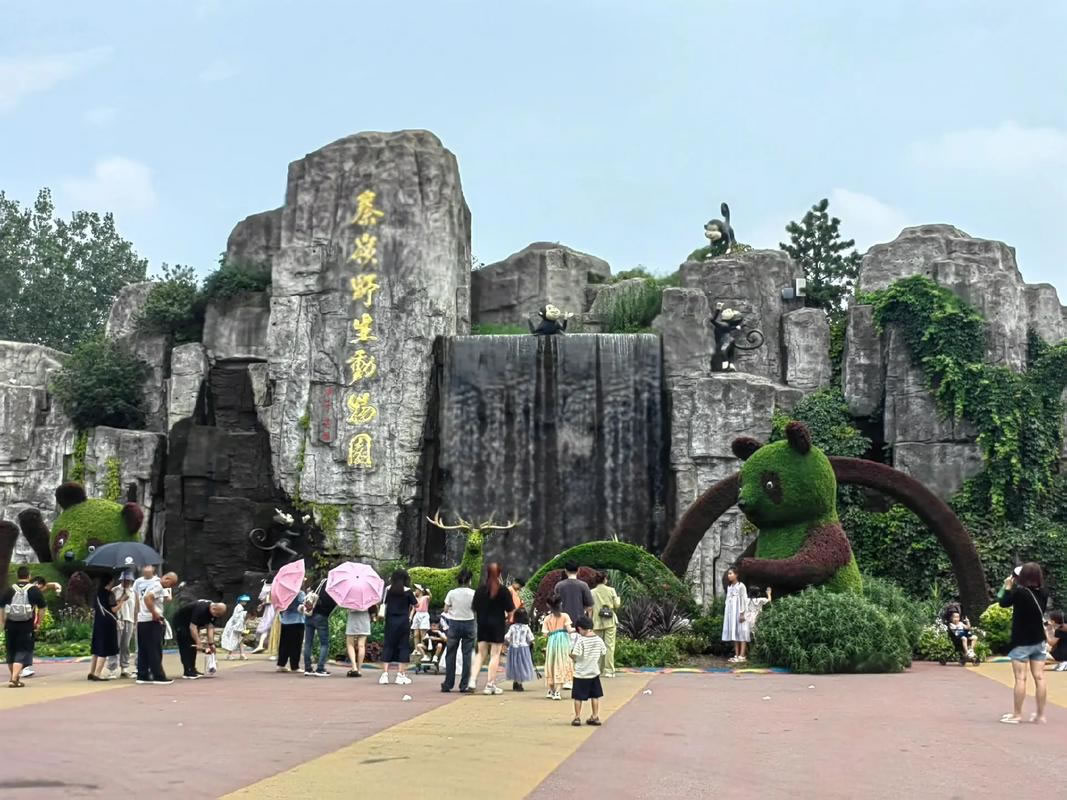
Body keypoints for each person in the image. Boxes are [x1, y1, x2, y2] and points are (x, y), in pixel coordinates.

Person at [997, 563, 1049, 724]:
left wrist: (1007, 586)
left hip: (1021, 641)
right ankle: (1040, 715)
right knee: (1039, 677)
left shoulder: (1020, 593)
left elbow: (1003, 603)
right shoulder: (1044, 592)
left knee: (1020, 678)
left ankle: (1017, 715)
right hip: (1039, 640)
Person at [470, 562, 515, 694]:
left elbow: (474, 608)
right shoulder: (503, 590)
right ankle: (490, 685)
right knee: (495, 655)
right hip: (497, 625)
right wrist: (509, 618)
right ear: (499, 574)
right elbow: (510, 610)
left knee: (480, 654)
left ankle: (472, 680)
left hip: (482, 624)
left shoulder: (480, 590)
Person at [1, 565, 46, 688]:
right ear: (29, 576)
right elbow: (42, 608)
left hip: (10, 624)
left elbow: (2, 607)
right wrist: (38, 622)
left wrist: (2, 622)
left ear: (17, 576)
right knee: (22, 650)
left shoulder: (10, 589)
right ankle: (14, 678)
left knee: (11, 650)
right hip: (26, 625)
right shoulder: (34, 590)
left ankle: (14, 677)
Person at [136, 570, 177, 685]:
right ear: (167, 579)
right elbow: (148, 598)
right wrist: (154, 613)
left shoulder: (151, 584)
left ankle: (142, 675)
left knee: (143, 649)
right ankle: (158, 675)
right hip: (151, 621)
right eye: (171, 584)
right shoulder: (158, 586)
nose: (169, 587)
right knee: (155, 649)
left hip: (142, 620)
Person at [440, 568, 476, 693]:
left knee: (451, 653)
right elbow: (476, 609)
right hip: (469, 623)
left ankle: (448, 684)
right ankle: (464, 685)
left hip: (454, 624)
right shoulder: (473, 593)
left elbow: (445, 609)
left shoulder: (452, 593)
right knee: (467, 654)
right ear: (469, 580)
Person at [379, 569, 416, 685]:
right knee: (403, 646)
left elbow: (383, 603)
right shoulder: (408, 591)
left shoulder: (388, 589)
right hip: (403, 621)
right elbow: (416, 604)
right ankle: (400, 675)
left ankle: (384, 675)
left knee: (388, 645)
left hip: (390, 621)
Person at [569, 615, 608, 727]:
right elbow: (603, 652)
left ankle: (577, 717)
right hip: (594, 672)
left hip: (581, 673)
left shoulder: (581, 640)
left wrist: (570, 655)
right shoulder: (599, 640)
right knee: (595, 696)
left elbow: (576, 654)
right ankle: (595, 716)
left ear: (580, 628)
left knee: (578, 697)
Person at [174, 599, 226, 679]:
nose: (216, 616)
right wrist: (198, 642)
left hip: (192, 624)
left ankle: (192, 668)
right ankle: (187, 671)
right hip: (181, 622)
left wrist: (211, 644)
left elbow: (210, 627)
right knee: (187, 644)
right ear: (213, 608)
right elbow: (192, 627)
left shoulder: (215, 613)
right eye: (216, 614)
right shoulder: (201, 609)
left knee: (193, 644)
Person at [88, 574, 120, 681]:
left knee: (96, 649)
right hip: (108, 623)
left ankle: (91, 672)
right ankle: (97, 674)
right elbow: (114, 609)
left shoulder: (97, 594)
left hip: (98, 622)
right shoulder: (110, 594)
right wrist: (122, 601)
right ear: (110, 582)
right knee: (104, 648)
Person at [542, 595, 574, 700]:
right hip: (563, 642)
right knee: (561, 663)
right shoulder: (565, 616)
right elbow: (570, 630)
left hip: (552, 642)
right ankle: (557, 692)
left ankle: (551, 690)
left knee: (551, 664)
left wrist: (553, 632)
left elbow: (545, 634)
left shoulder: (547, 618)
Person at [105, 570, 136, 678]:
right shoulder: (115, 590)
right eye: (124, 580)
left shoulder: (133, 591)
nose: (126, 582)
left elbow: (135, 607)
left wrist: (136, 621)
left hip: (129, 619)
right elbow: (111, 605)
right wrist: (122, 598)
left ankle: (125, 667)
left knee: (125, 645)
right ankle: (112, 669)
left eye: (129, 580)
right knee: (115, 644)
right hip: (117, 620)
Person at [303, 580, 337, 676]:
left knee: (308, 642)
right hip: (321, 616)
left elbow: (309, 590)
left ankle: (308, 668)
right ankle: (320, 669)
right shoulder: (335, 588)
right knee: (324, 644)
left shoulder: (321, 581)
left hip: (309, 614)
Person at [591, 571, 620, 678]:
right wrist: (618, 599)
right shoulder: (611, 590)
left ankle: (598, 669)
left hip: (596, 622)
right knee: (609, 646)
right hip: (610, 621)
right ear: (604, 580)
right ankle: (609, 671)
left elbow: (590, 607)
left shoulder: (591, 592)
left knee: (597, 646)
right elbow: (616, 605)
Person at [722, 567, 750, 663]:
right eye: (728, 574)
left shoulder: (741, 586)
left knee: (742, 632)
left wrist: (742, 613)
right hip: (731, 613)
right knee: (735, 632)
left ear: (736, 574)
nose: (729, 575)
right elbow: (727, 601)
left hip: (739, 612)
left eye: (731, 573)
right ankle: (736, 655)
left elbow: (744, 600)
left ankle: (742, 655)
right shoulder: (729, 587)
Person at [276, 588, 306, 673]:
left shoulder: (283, 593)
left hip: (285, 620)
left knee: (284, 644)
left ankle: (281, 664)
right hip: (297, 620)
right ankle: (295, 666)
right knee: (296, 645)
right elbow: (302, 606)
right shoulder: (300, 593)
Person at [505, 607, 536, 691]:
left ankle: (515, 681)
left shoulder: (512, 627)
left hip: (513, 649)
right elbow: (531, 638)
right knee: (522, 665)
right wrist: (531, 643)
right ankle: (519, 683)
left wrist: (509, 643)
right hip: (523, 649)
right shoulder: (526, 627)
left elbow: (507, 637)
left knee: (514, 665)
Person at [345, 604, 375, 678]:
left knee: (350, 644)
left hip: (353, 618)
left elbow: (346, 606)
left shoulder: (350, 596)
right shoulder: (367, 597)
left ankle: (354, 667)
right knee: (361, 645)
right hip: (364, 618)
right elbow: (373, 608)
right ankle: (359, 670)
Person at [221, 595, 251, 660]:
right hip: (235, 626)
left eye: (246, 601)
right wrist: (240, 628)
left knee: (240, 640)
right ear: (240, 601)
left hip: (237, 626)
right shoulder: (239, 607)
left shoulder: (240, 608)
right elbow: (236, 618)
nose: (245, 602)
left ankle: (242, 654)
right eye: (244, 601)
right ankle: (229, 654)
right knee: (233, 640)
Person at [251, 579, 274, 654]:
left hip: (272, 609)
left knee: (267, 627)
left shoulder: (267, 587)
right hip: (274, 608)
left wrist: (263, 603)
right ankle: (262, 645)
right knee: (268, 627)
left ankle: (262, 645)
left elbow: (263, 598)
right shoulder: (275, 586)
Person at [411, 585, 431, 661]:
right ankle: (416, 649)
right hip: (417, 615)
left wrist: (429, 592)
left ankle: (421, 649)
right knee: (416, 634)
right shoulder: (415, 599)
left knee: (423, 634)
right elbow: (413, 609)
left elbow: (430, 597)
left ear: (420, 591)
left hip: (424, 615)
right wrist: (410, 617)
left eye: (416, 589)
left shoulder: (425, 597)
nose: (415, 591)